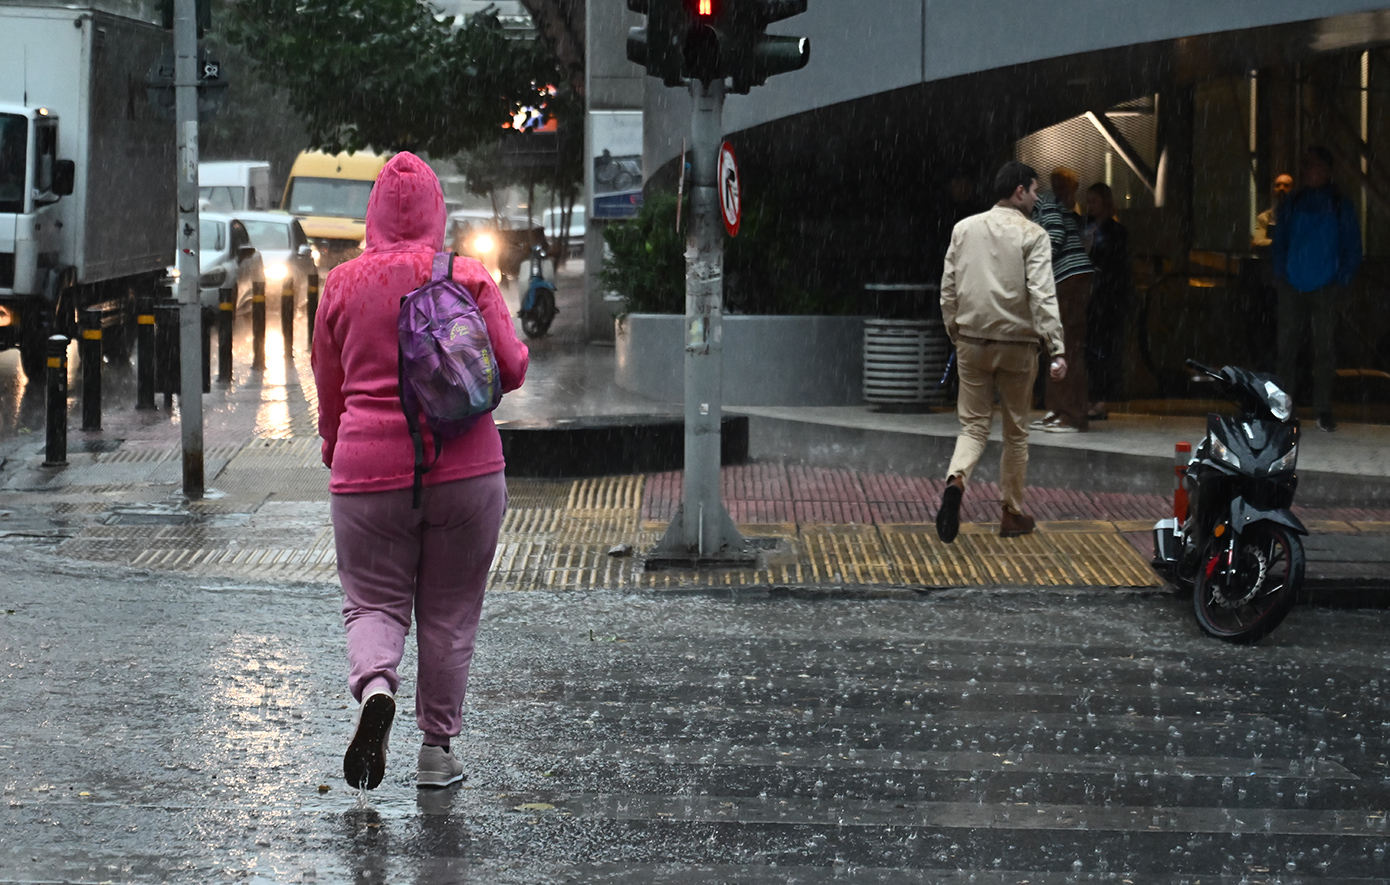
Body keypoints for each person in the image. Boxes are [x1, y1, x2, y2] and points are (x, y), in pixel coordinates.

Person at [312, 152, 529, 790]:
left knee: (373, 603)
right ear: (438, 212)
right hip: (465, 471)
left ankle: (377, 686)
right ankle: (436, 750)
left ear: (371, 213)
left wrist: (335, 446)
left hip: (367, 474)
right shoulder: (467, 276)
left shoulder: (341, 284)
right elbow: (511, 369)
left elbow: (330, 388)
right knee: (450, 613)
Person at [936, 161, 1066, 543]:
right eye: (1034, 190)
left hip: (972, 341)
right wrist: (1056, 347)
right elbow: (1042, 293)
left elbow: (948, 288)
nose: (1037, 197)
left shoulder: (964, 228)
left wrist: (956, 331)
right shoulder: (1034, 235)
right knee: (1016, 433)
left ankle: (956, 481)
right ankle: (1011, 514)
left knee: (973, 426)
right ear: (1019, 191)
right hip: (1018, 346)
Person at [1272, 146, 1361, 432]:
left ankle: (1320, 408)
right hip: (1297, 283)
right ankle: (1283, 408)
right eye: (1306, 165)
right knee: (1288, 347)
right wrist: (1282, 273)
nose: (1307, 170)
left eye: (1312, 165)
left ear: (1326, 170)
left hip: (1322, 285)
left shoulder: (1337, 204)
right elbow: (1281, 241)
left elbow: (1352, 245)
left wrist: (1341, 278)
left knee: (1321, 349)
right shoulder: (1297, 202)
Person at [1030, 167, 1094, 432]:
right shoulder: (1060, 204)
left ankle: (1071, 413)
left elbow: (1055, 235)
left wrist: (1035, 266)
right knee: (1059, 344)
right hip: (1071, 277)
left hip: (1067, 278)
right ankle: (1059, 410)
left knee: (1063, 345)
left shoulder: (1045, 201)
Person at [1082, 183, 1129, 420]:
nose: (1090, 206)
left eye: (1095, 202)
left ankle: (1101, 398)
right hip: (1088, 296)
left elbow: (1119, 268)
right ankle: (1090, 396)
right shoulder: (1084, 227)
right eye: (1088, 201)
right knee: (1089, 349)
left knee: (1104, 350)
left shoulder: (1116, 232)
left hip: (1106, 298)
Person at [1252, 173, 1294, 249]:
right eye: (1277, 185)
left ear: (1293, 189)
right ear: (1273, 189)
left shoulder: (1301, 216)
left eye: (1286, 186)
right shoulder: (1265, 218)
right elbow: (1257, 241)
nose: (1281, 188)